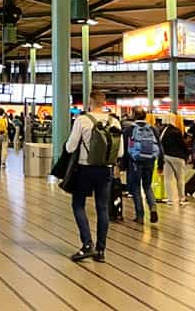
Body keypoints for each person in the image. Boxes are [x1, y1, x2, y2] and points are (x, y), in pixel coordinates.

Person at [65, 88, 123, 262]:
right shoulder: (115, 122)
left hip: (85, 169)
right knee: (102, 208)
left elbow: (70, 147)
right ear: (104, 103)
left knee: (78, 204)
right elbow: (119, 152)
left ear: (90, 102)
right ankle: (101, 251)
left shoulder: (82, 120)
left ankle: (87, 243)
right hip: (105, 170)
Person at [121, 107, 160, 224]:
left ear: (134, 115)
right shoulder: (152, 129)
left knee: (136, 188)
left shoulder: (130, 129)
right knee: (147, 186)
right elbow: (159, 145)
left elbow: (124, 148)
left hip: (135, 162)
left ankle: (140, 215)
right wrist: (161, 162)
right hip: (150, 161)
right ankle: (153, 206)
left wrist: (122, 165)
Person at [158, 116, 189, 206]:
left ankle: (170, 199)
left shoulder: (162, 131)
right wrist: (187, 154)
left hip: (166, 156)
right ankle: (182, 199)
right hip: (178, 157)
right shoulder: (176, 131)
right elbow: (182, 144)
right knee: (180, 178)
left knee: (168, 178)